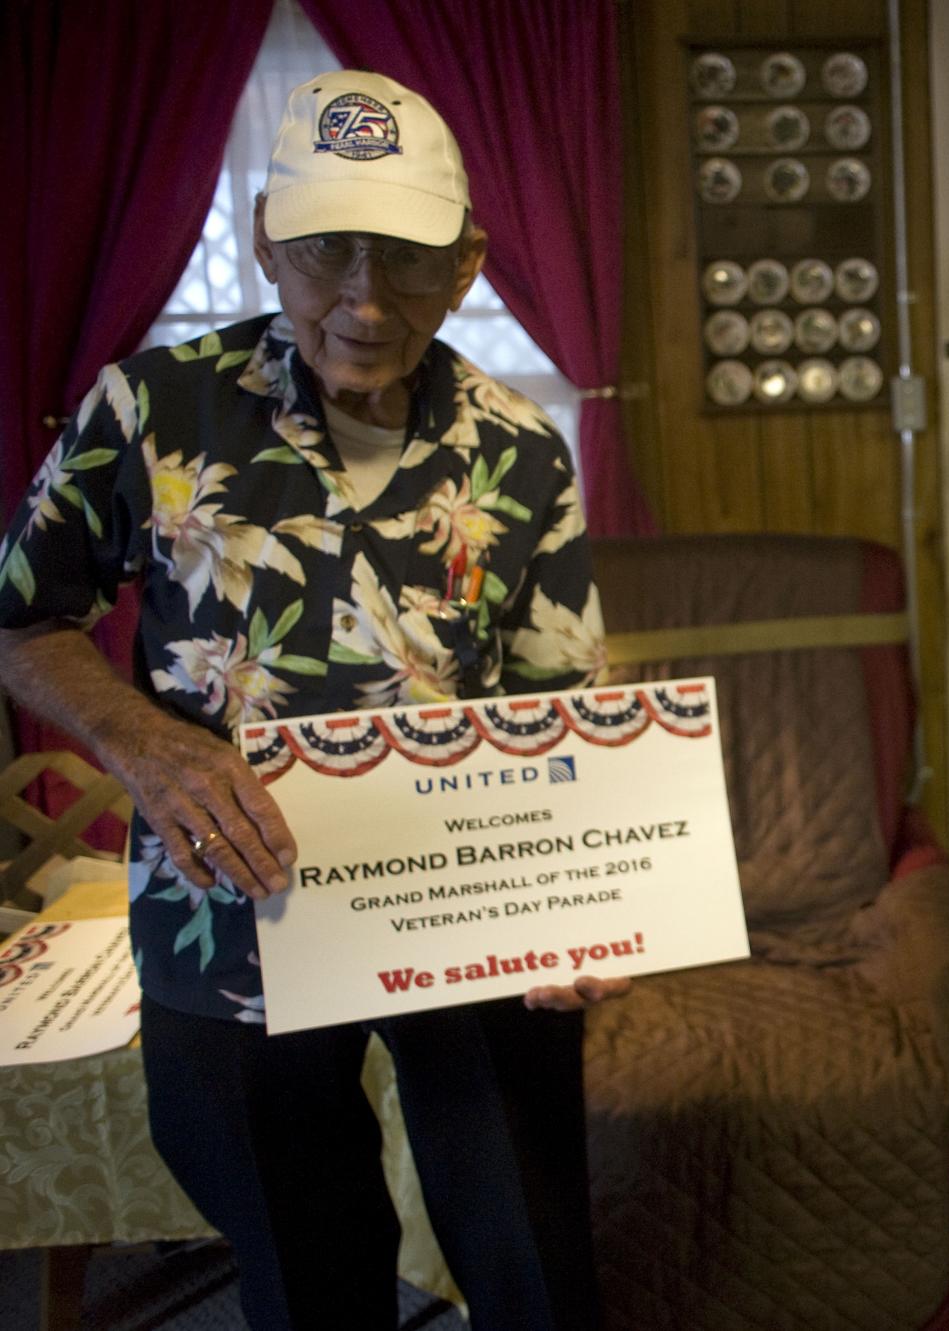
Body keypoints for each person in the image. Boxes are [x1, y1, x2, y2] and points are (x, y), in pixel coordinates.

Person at [0, 72, 620, 1329]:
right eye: (328, 247)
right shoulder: (151, 409)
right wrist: (146, 745)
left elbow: (564, 694)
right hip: (228, 920)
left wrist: (587, 902)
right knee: (305, 1275)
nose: (363, 297)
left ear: (467, 264)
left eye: (404, 255)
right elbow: (24, 616)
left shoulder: (521, 445)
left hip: (470, 913)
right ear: (265, 239)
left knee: (534, 1266)